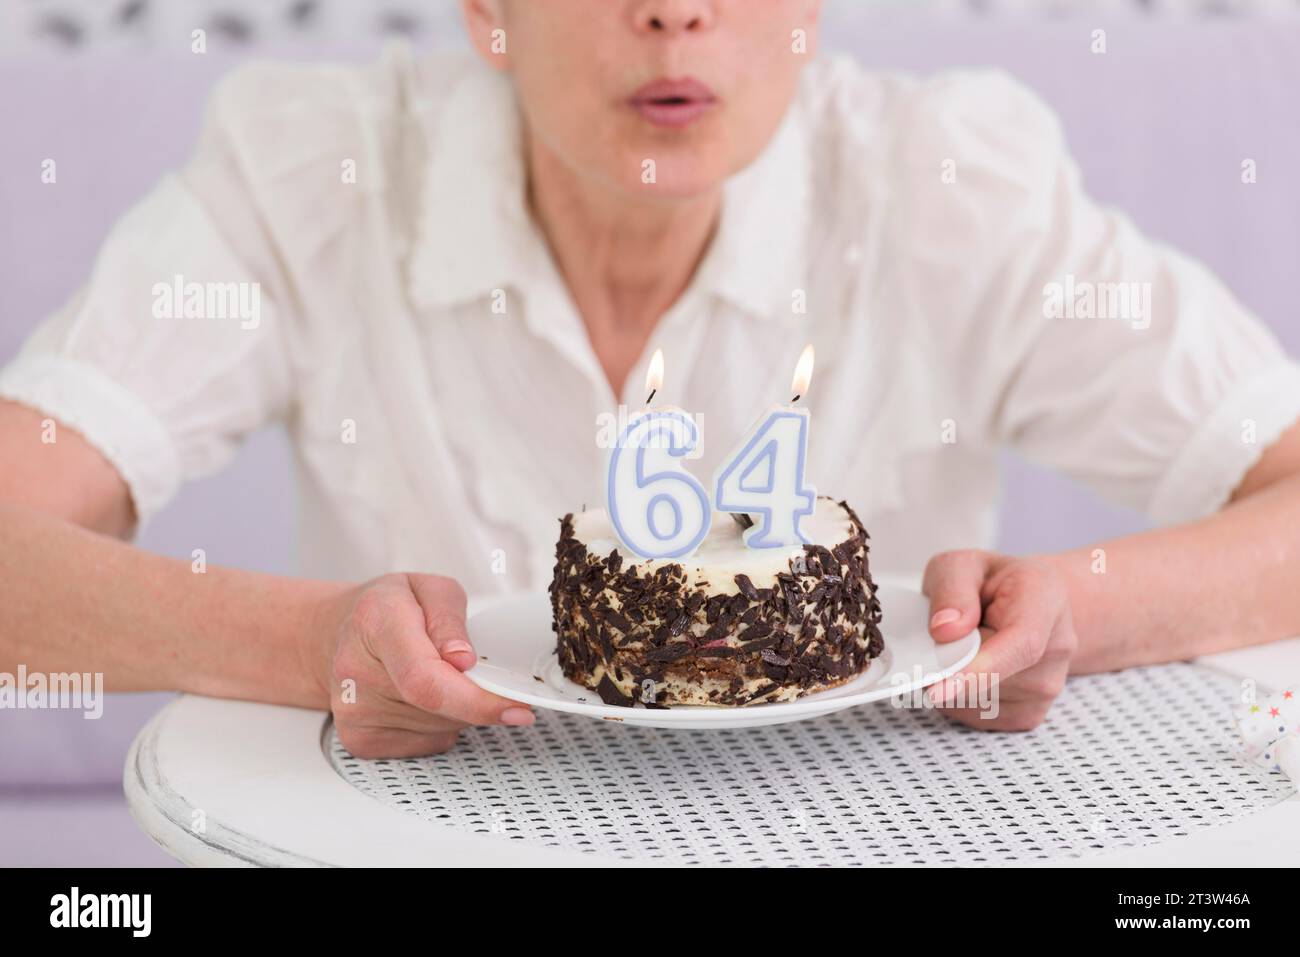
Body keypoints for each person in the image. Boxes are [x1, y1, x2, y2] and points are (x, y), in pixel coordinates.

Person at [2, 0, 1298, 757]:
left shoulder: (956, 182)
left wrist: (1069, 608)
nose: (675, 12)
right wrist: (314, 644)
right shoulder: (307, 173)